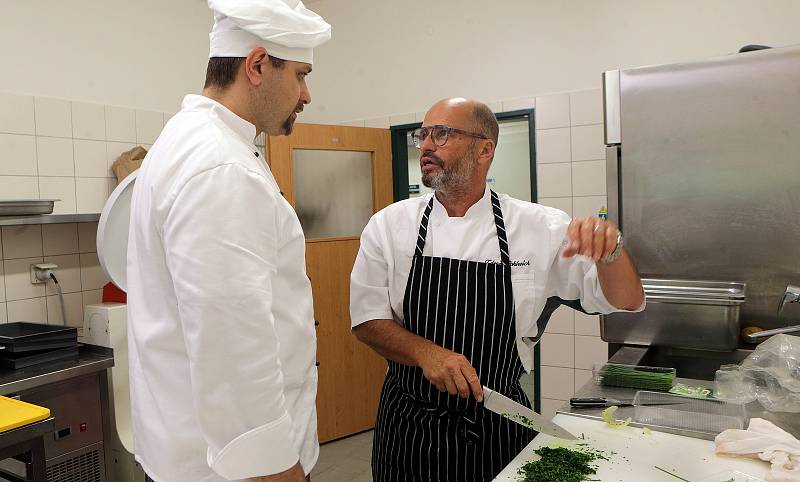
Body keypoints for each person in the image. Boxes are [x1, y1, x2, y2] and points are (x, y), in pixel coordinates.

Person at [350, 97, 645, 482]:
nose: (425, 145)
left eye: (441, 134)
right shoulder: (389, 225)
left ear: (484, 148)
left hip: (498, 420)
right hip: (409, 424)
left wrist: (612, 250)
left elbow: (625, 301)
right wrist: (425, 353)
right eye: (423, 135)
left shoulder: (540, 227)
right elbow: (367, 320)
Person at [126, 1, 330, 481]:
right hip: (236, 469)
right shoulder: (220, 166)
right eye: (300, 75)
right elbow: (232, 350)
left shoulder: (196, 141)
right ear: (257, 65)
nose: (307, 94)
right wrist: (276, 471)